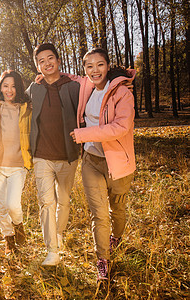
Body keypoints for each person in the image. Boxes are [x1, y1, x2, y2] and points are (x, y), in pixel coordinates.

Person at [70, 48, 136, 281]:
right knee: (99, 215)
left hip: (117, 162)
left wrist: (85, 134)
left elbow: (121, 127)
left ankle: (116, 237)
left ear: (108, 66)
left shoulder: (122, 94)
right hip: (91, 162)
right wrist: (44, 76)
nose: (94, 70)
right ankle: (103, 261)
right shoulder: (86, 88)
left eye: (99, 65)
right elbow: (72, 78)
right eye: (89, 66)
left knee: (117, 209)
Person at [26, 43, 81, 266]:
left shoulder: (74, 87)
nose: (47, 63)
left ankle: (58, 233)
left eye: (50, 59)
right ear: (37, 66)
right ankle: (52, 250)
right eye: (41, 61)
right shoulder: (34, 89)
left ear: (58, 60)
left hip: (68, 155)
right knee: (46, 202)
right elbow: (11, 100)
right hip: (41, 155)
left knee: (64, 201)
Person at [0, 70, 33, 254]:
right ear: (0, 87)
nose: (9, 90)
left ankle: (18, 225)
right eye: (5, 85)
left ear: (19, 88)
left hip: (17, 165)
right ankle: (9, 238)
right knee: (2, 207)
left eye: (13, 86)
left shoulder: (26, 109)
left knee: (13, 204)